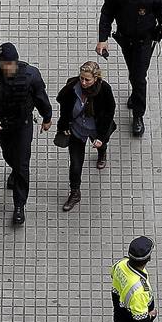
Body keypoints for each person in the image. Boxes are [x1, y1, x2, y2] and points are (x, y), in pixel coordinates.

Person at [0, 42, 52, 226]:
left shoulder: (31, 74)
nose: (7, 67)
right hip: (1, 125)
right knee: (9, 155)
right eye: (4, 63)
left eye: (10, 63)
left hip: (23, 124)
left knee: (22, 164)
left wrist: (47, 118)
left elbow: (41, 97)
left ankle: (19, 206)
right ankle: (14, 171)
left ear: (16, 61)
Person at [96, 0, 162, 137]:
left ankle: (138, 115)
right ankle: (135, 94)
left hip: (144, 42)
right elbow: (107, 12)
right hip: (125, 39)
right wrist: (103, 38)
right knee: (133, 71)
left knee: (139, 77)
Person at [56, 61, 116, 212]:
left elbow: (109, 112)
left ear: (96, 78)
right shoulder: (72, 87)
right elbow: (64, 108)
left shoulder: (104, 90)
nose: (83, 82)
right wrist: (63, 126)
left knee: (100, 145)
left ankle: (102, 153)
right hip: (76, 130)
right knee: (75, 165)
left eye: (87, 79)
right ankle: (75, 193)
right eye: (81, 78)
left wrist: (101, 137)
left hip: (96, 129)